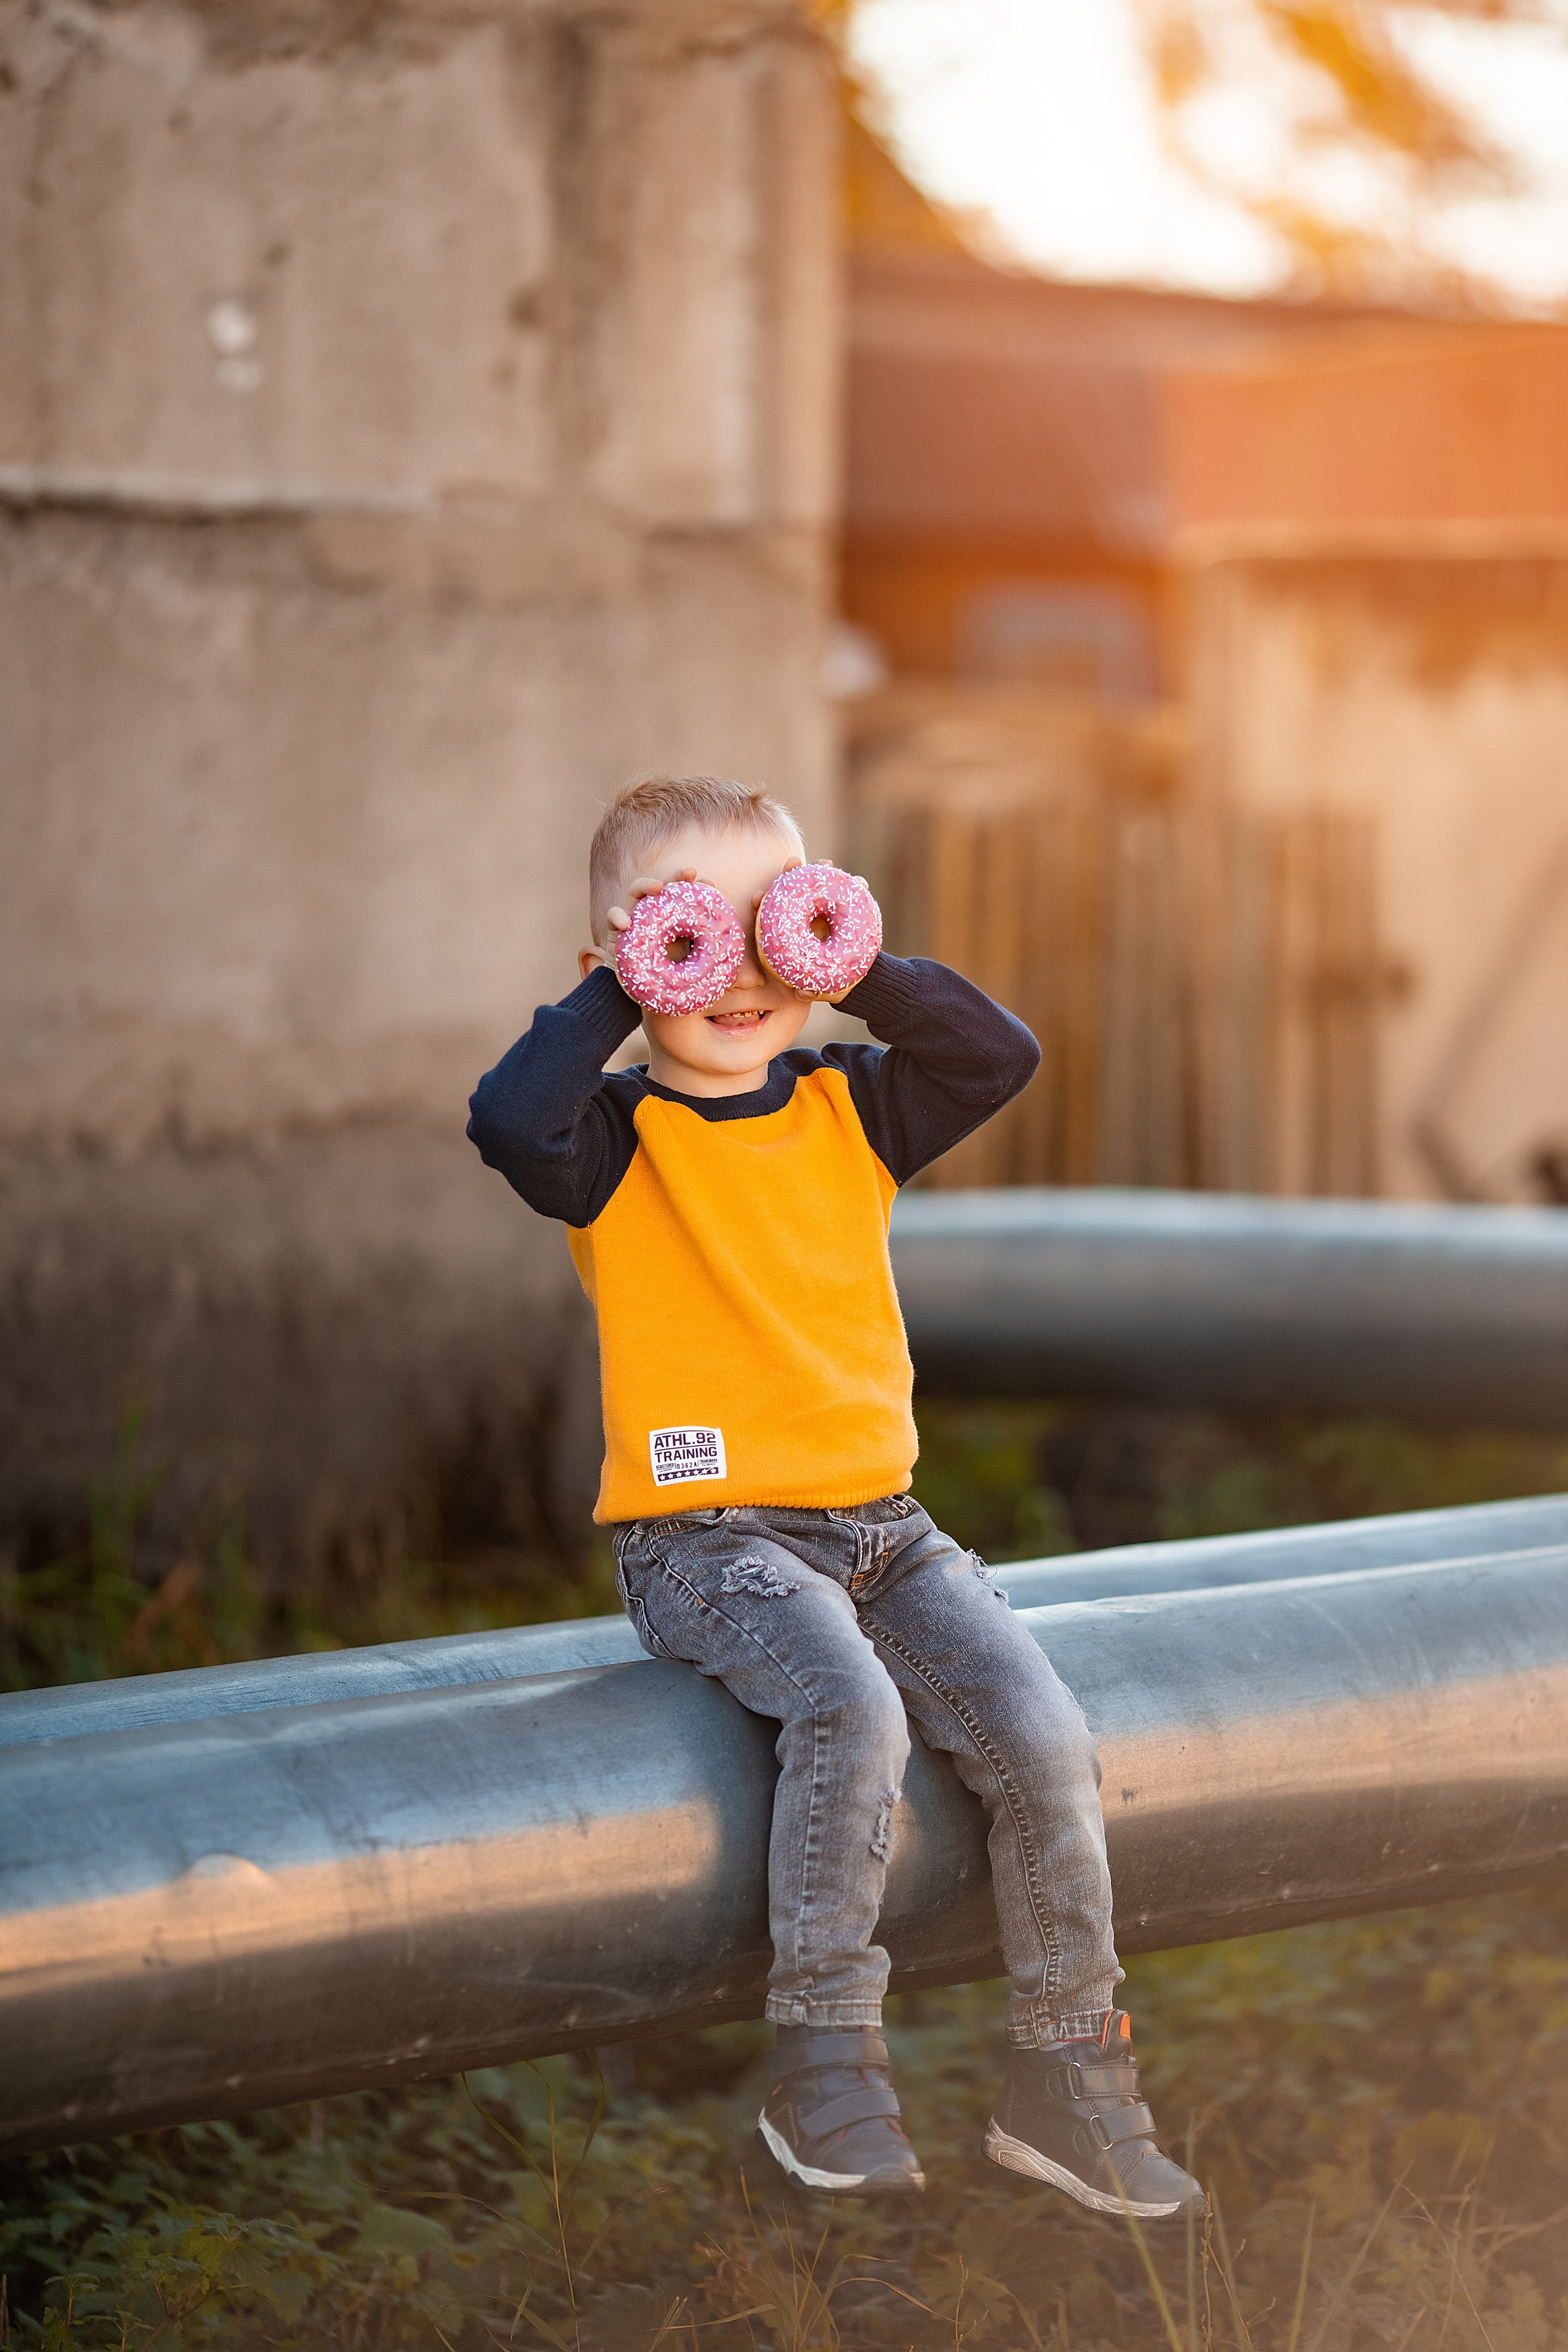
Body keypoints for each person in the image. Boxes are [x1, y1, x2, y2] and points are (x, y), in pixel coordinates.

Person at [467, 772, 1202, 2215]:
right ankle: (821, 2063)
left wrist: (852, 966)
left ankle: (1067, 2075)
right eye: (692, 929)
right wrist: (629, 983)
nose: (737, 967)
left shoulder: (851, 1103)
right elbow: (506, 1120)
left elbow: (995, 1053)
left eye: (773, 925)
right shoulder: (607, 1139)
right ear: (618, 957)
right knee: (848, 1709)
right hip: (704, 1541)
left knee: (1044, 1737)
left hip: (885, 1533)